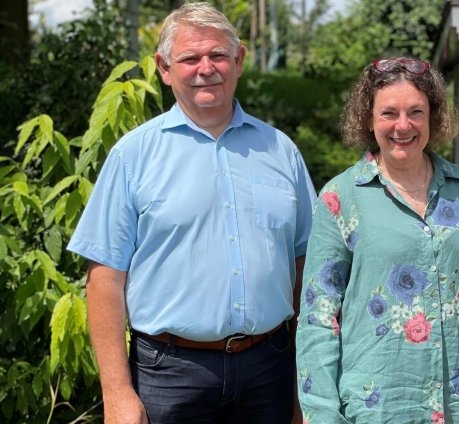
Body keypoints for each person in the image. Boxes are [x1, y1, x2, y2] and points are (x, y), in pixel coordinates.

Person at [66, 3, 315, 423]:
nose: (206, 68)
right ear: (164, 68)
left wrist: (305, 386)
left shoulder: (280, 151)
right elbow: (105, 277)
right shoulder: (133, 155)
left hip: (269, 368)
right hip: (168, 372)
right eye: (190, 58)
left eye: (218, 55)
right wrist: (117, 393)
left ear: (238, 61)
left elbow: (306, 267)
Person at [295, 57, 459, 424]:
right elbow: (318, 319)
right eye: (389, 113)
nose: (403, 125)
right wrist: (322, 416)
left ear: (433, 117)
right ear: (368, 118)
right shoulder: (339, 198)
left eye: (416, 112)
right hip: (375, 410)